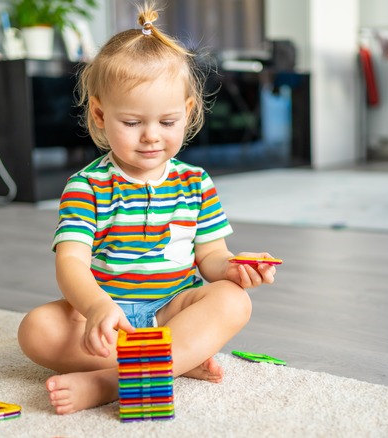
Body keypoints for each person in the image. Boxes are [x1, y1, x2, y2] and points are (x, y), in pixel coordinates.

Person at [17, 1, 279, 415]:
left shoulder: (195, 184)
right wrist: (97, 307)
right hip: (107, 317)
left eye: (167, 122)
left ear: (188, 113)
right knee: (35, 330)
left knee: (234, 301)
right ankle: (174, 363)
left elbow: (211, 257)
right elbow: (71, 264)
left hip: (171, 310)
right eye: (133, 123)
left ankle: (111, 381)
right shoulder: (87, 186)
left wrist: (234, 268)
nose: (151, 137)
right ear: (101, 116)